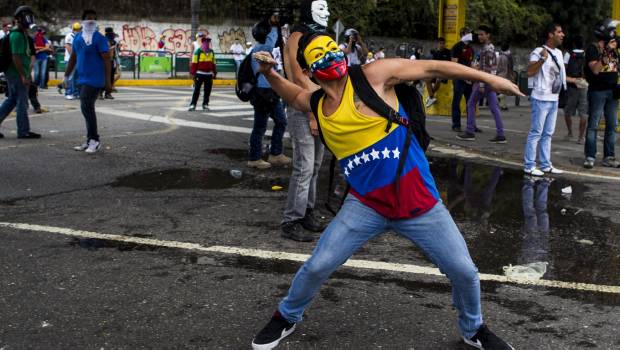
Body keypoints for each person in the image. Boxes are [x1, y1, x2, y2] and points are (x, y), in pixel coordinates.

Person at [250, 32, 521, 350]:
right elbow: (292, 93)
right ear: (310, 71)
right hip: (365, 206)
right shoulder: (317, 104)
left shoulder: (373, 75)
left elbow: (435, 67)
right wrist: (270, 72)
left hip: (421, 205)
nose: (330, 55)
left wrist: (490, 79)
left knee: (464, 272)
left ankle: (473, 328)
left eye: (332, 48)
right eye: (318, 53)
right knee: (319, 264)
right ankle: (286, 316)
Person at [280, 0, 329, 242]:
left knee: (316, 166)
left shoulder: (312, 37)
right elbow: (300, 79)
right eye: (322, 8)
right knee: (304, 166)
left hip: (317, 108)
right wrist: (312, 114)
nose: (327, 13)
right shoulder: (298, 37)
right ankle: (292, 220)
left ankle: (307, 212)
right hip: (303, 109)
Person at [64, 9, 112, 154]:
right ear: (83, 20)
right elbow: (73, 58)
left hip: (95, 79)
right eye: (88, 18)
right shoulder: (78, 38)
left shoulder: (100, 39)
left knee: (87, 107)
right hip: (82, 78)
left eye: (93, 18)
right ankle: (90, 139)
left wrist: (108, 82)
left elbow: (107, 60)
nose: (91, 20)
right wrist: (66, 76)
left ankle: (95, 140)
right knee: (86, 109)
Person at [247, 17, 290, 170]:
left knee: (276, 122)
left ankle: (275, 154)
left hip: (268, 92)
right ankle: (256, 157)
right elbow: (272, 40)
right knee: (263, 126)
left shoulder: (258, 47)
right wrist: (273, 26)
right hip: (263, 93)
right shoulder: (263, 47)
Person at [523, 23, 566, 176]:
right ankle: (529, 165)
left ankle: (546, 164)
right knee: (536, 132)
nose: (562, 35)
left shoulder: (560, 53)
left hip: (554, 98)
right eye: (559, 32)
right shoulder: (538, 51)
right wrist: (542, 59)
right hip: (540, 98)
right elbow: (529, 72)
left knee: (548, 133)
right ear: (550, 34)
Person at [457, 25, 506, 143]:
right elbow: (489, 68)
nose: (479, 36)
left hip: (484, 82)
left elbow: (488, 69)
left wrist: (482, 84)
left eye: (482, 34)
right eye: (478, 34)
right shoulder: (490, 48)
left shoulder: (487, 50)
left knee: (470, 104)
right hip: (489, 81)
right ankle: (501, 134)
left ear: (488, 35)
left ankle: (470, 132)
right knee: (494, 108)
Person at [0, 6, 41, 140]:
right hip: (16, 73)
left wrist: (27, 71)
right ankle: (23, 131)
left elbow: (27, 55)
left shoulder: (22, 34)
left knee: (12, 100)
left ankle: (23, 130)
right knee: (22, 103)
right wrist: (24, 75)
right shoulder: (17, 35)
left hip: (17, 73)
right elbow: (15, 57)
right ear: (18, 19)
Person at [583, 19, 620, 169]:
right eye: (612, 32)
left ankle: (609, 157)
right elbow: (596, 69)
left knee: (612, 125)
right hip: (597, 91)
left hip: (613, 91)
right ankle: (590, 156)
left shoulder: (615, 49)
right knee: (593, 124)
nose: (615, 35)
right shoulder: (593, 48)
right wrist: (608, 51)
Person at [563, 35, 589, 144]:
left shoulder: (568, 54)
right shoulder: (586, 54)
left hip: (572, 85)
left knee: (567, 111)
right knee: (583, 113)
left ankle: (570, 133)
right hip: (583, 84)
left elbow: (563, 69)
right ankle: (581, 137)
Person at [450, 27, 474, 132]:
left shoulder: (471, 48)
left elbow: (471, 63)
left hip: (469, 79)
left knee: (471, 102)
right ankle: (456, 124)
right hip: (459, 79)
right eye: (468, 33)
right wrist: (462, 77)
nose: (470, 35)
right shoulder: (456, 47)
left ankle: (471, 125)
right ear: (463, 34)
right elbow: (454, 65)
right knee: (457, 101)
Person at [188, 36, 216, 111]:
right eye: (205, 41)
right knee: (196, 90)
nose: (207, 43)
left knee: (207, 90)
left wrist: (214, 73)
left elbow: (213, 63)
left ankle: (205, 104)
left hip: (209, 74)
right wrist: (193, 73)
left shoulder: (211, 52)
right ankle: (193, 104)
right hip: (199, 74)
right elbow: (194, 63)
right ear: (202, 42)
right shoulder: (198, 52)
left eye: (208, 41)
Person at [425, 37, 452, 107]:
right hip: (436, 72)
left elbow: (450, 64)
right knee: (427, 79)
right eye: (440, 43)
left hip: (444, 73)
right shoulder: (435, 53)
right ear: (438, 44)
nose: (442, 45)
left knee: (438, 79)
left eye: (443, 43)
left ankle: (430, 97)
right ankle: (431, 97)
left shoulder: (448, 52)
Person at [62, 22, 81, 99]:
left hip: (76, 59)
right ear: (73, 29)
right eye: (76, 29)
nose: (77, 30)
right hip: (70, 59)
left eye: (78, 29)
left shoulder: (79, 36)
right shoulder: (70, 36)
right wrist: (73, 57)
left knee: (76, 77)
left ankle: (75, 93)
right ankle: (68, 93)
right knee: (70, 77)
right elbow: (68, 46)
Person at [496, 43, 515, 111]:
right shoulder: (509, 56)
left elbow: (497, 66)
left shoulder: (500, 56)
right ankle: (502, 104)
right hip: (507, 75)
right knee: (505, 91)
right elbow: (510, 67)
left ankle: (503, 104)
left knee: (503, 90)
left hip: (500, 75)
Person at [104, 27, 119, 99]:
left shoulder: (114, 41)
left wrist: (117, 63)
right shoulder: (103, 40)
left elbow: (116, 53)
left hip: (112, 61)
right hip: (106, 61)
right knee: (105, 77)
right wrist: (110, 48)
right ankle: (101, 93)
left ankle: (108, 93)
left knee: (111, 77)